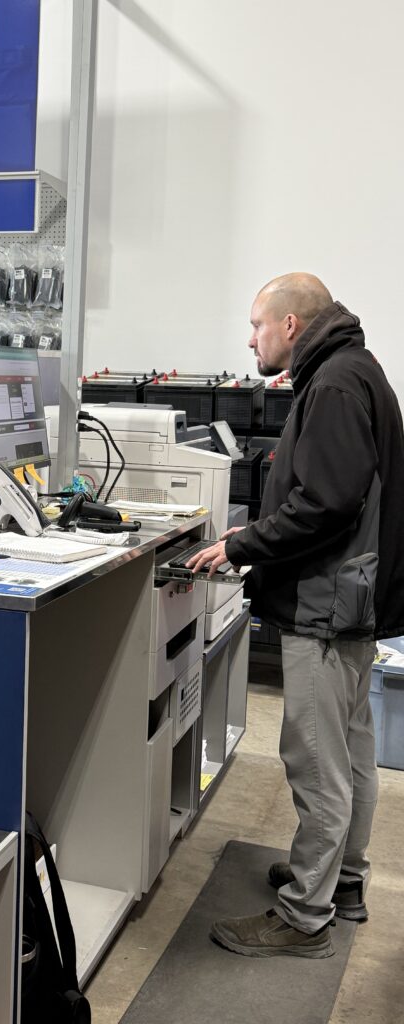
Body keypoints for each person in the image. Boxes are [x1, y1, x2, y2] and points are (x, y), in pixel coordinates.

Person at [187, 272, 404, 958]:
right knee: (352, 750)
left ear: (289, 325)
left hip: (327, 603)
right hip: (354, 599)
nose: (249, 338)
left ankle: (305, 915)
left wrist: (241, 545)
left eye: (256, 325)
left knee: (316, 761)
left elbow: (327, 503)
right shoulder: (352, 368)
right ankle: (342, 880)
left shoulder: (335, 383)